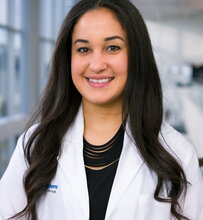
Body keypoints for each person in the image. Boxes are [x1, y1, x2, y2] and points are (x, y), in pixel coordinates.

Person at [0, 0, 203, 219]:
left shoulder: (177, 152)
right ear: (68, 59)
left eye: (112, 48)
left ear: (137, 55)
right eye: (83, 49)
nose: (96, 65)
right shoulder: (35, 145)